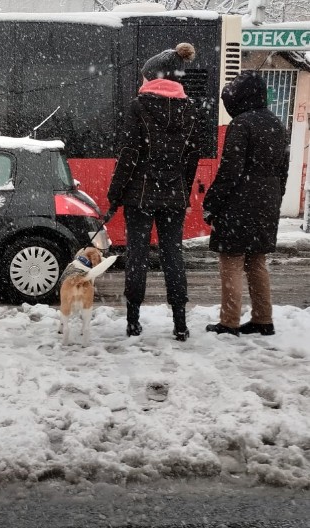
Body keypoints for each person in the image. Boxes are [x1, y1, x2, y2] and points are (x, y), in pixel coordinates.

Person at [106, 43, 202, 342]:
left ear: (151, 76)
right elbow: (191, 157)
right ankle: (180, 324)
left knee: (137, 255)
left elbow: (129, 154)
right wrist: (183, 193)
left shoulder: (139, 106)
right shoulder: (189, 109)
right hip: (173, 196)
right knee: (173, 254)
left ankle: (133, 321)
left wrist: (115, 193)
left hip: (140, 195)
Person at [203, 71, 289, 336]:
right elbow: (283, 170)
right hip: (267, 201)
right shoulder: (277, 124)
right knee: (257, 261)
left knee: (231, 261)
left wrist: (212, 202)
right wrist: (274, 198)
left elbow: (230, 170)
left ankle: (229, 321)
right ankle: (263, 318)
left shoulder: (241, 124)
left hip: (239, 202)